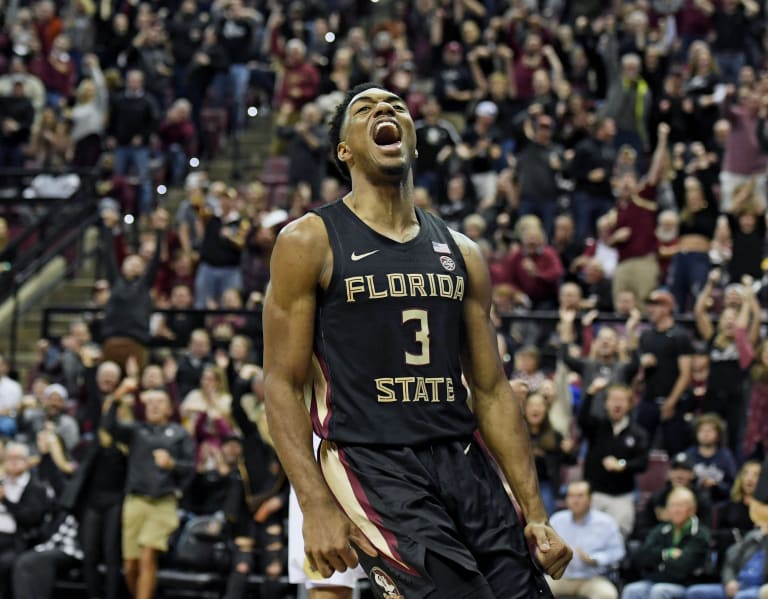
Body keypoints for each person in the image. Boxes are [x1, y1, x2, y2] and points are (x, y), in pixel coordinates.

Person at [263, 83, 572, 598]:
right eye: (365, 109)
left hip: (462, 458)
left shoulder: (463, 251)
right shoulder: (309, 240)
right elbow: (280, 383)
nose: (385, 110)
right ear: (345, 150)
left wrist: (536, 514)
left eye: (397, 107)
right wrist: (314, 504)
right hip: (372, 462)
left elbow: (492, 389)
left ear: (413, 140)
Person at [578, 380, 649, 538]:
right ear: (606, 404)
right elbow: (582, 420)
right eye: (613, 399)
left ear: (630, 404)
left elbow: (643, 463)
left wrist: (622, 465)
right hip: (595, 494)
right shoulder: (597, 426)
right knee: (590, 537)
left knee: (618, 537)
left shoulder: (638, 433)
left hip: (622, 496)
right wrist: (590, 393)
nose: (617, 404)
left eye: (622, 399)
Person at [621, 487, 711, 599]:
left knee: (659, 591)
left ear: (692, 509)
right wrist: (666, 554)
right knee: (632, 590)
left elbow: (683, 569)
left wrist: (657, 565)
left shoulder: (699, 533)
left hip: (686, 584)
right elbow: (642, 557)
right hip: (656, 580)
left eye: (680, 506)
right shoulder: (660, 530)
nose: (676, 510)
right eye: (672, 505)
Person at [548, 481, 625, 599]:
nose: (575, 500)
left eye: (580, 496)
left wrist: (594, 559)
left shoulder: (606, 522)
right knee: (534, 587)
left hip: (592, 579)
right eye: (571, 496)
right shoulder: (557, 520)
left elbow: (618, 552)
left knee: (606, 594)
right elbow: (543, 548)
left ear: (590, 499)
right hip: (561, 577)